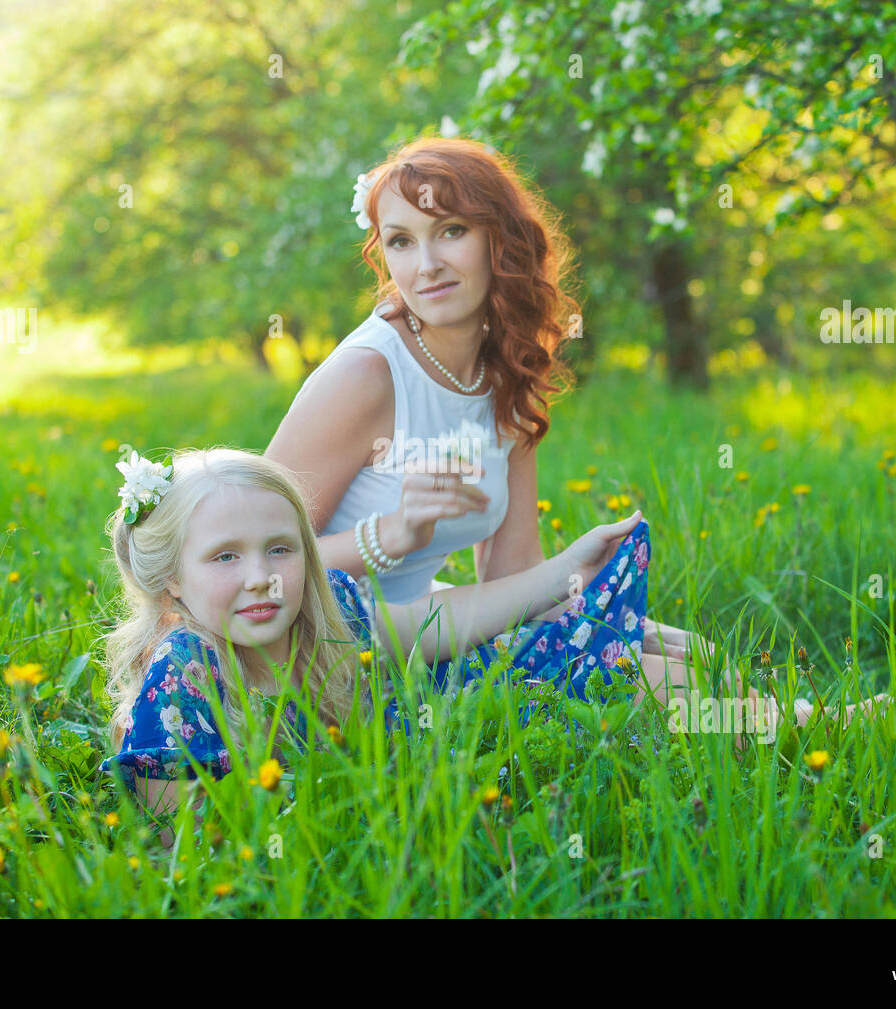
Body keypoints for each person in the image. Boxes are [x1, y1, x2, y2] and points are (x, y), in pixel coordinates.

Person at [99, 447, 896, 848]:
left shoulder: (330, 612)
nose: (263, 578)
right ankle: (812, 723)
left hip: (454, 715)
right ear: (171, 585)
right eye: (225, 558)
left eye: (280, 549)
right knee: (631, 691)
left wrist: (562, 572)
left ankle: (808, 715)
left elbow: (440, 626)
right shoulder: (186, 679)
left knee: (618, 658)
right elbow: (182, 839)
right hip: (416, 787)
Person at [264, 135, 698, 673]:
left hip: (437, 623)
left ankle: (812, 723)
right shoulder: (368, 374)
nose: (426, 265)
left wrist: (595, 612)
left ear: (500, 239)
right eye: (401, 241)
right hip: (332, 650)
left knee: (692, 657)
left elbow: (514, 572)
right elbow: (259, 572)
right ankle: (811, 723)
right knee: (654, 682)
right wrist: (389, 535)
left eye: (451, 231)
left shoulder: (507, 368)